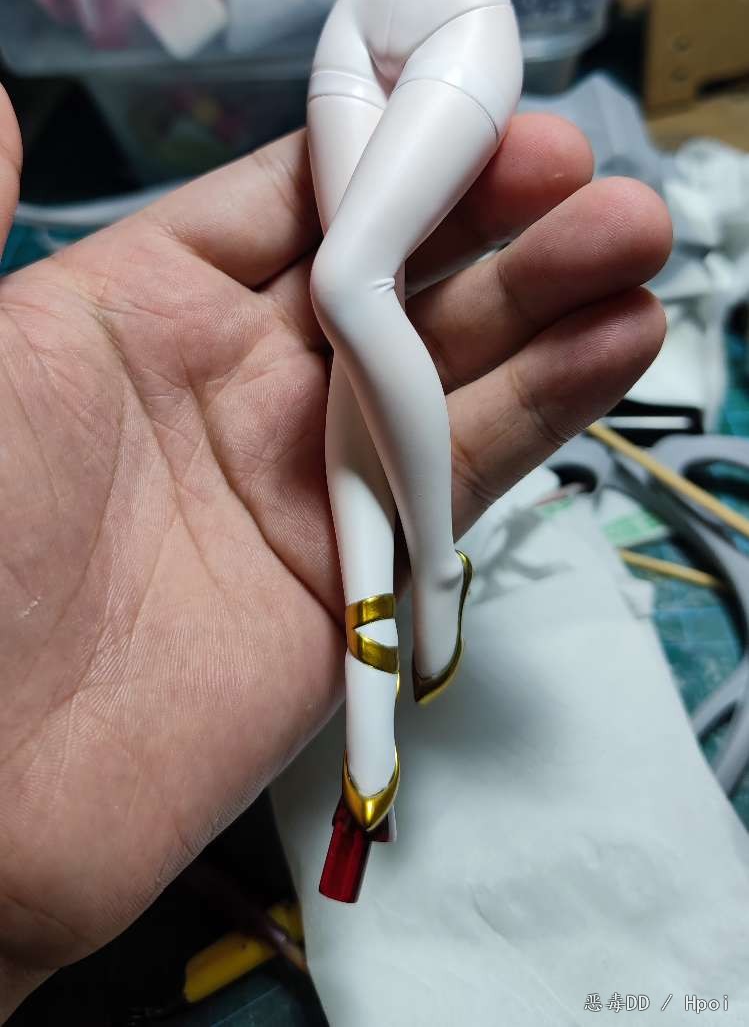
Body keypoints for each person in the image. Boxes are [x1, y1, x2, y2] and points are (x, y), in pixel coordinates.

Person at [0, 82, 671, 1017]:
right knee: (352, 331)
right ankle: (371, 754)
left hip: (452, 27)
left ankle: (431, 565)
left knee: (349, 282)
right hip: (349, 53)